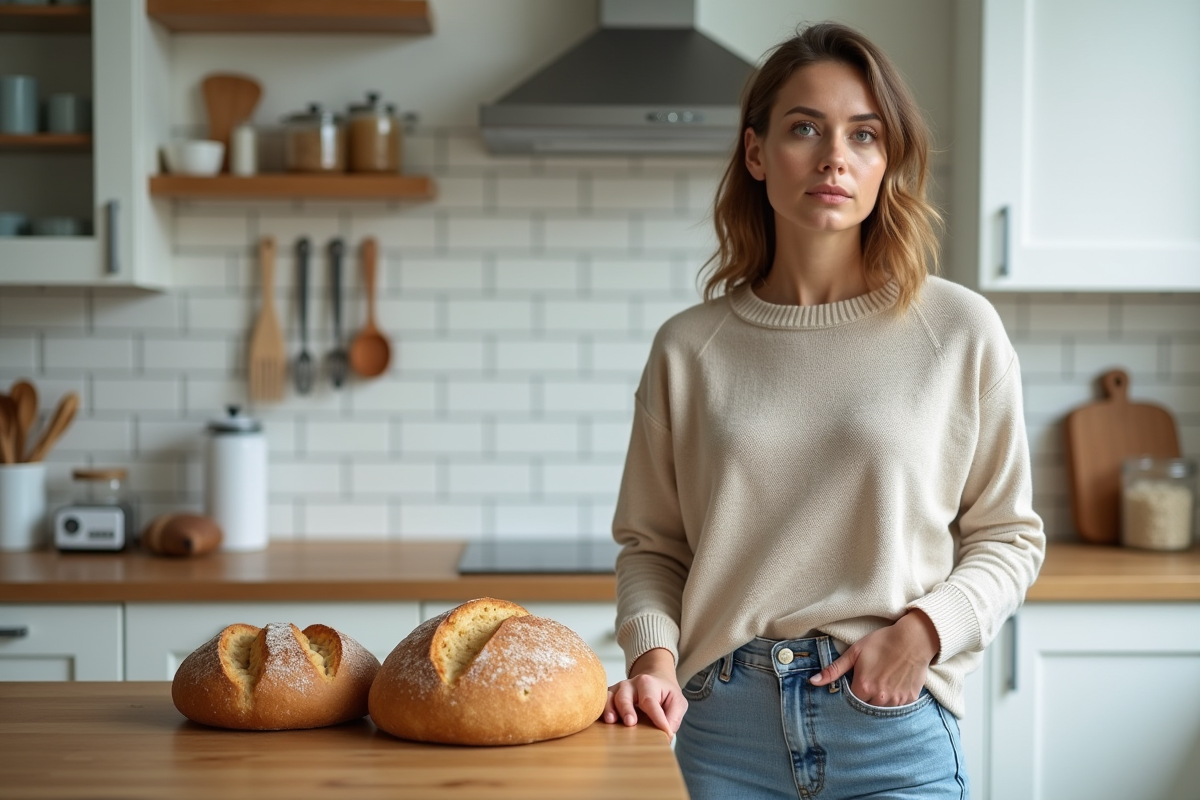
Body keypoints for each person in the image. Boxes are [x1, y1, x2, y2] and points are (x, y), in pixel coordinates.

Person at [601, 21, 1045, 800]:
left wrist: (925, 633)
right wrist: (653, 662)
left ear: (886, 162)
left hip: (889, 724)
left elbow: (1009, 536)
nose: (835, 156)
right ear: (756, 153)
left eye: (864, 135)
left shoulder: (958, 330)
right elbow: (654, 549)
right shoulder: (688, 348)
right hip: (718, 733)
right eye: (805, 128)